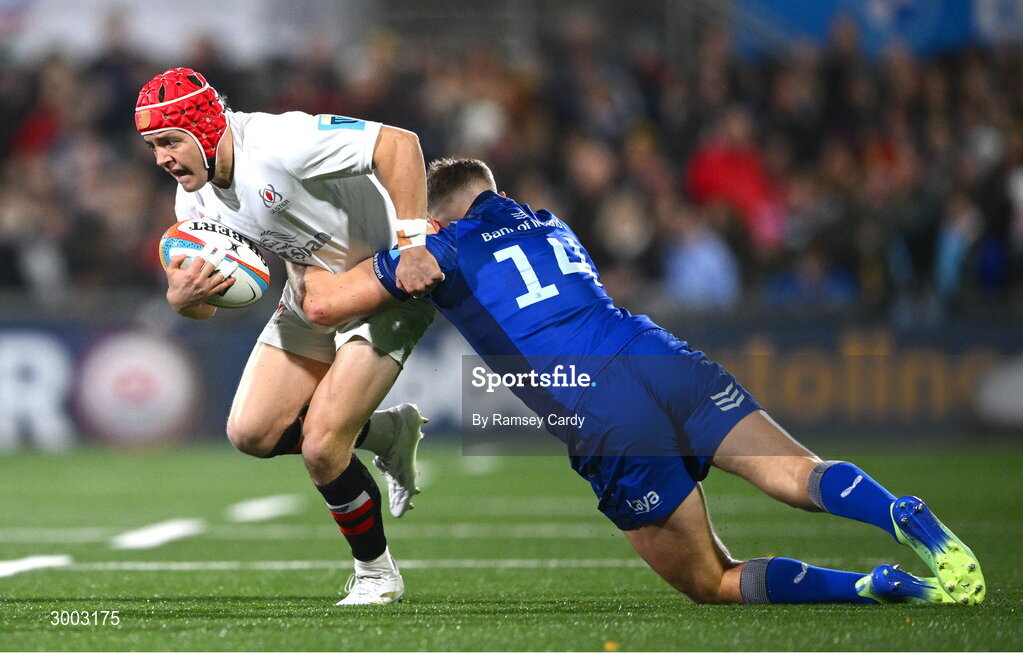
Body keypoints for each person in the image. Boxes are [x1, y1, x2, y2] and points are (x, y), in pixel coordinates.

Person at [290, 158, 985, 606]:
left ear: (434, 216)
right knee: (797, 472)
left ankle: (872, 588)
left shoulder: (437, 246)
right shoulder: (548, 222)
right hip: (656, 351)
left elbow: (324, 303)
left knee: (710, 578)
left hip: (598, 405)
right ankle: (904, 517)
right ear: (495, 194)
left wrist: (293, 241)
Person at [135, 67, 444, 605]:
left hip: (385, 284)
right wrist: (184, 304)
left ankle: (376, 573)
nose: (161, 157)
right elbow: (206, 309)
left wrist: (412, 244)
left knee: (324, 447)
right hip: (312, 296)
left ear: (206, 128)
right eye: (151, 145)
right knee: (251, 433)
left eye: (168, 140)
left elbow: (399, 144)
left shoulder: (280, 142)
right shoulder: (194, 203)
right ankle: (385, 434)